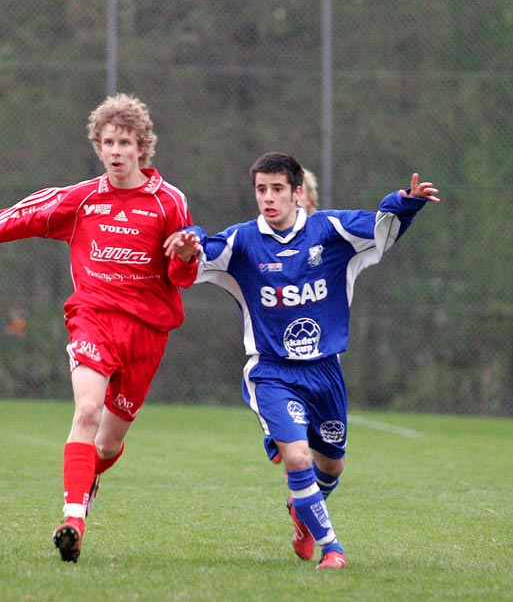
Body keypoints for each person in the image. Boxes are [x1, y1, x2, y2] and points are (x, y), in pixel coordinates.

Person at [0, 93, 200, 562]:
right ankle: (73, 520)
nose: (115, 150)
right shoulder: (83, 198)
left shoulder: (169, 202)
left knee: (108, 443)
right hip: (92, 318)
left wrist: (187, 257)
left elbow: (180, 276)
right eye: (108, 141)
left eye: (125, 142)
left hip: (147, 333)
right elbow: (27, 215)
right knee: (87, 412)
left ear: (141, 148)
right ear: (97, 145)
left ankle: (88, 480)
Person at [166, 152, 439, 569]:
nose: (268, 198)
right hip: (271, 369)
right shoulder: (243, 242)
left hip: (325, 370)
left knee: (333, 464)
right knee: (297, 458)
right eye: (261, 189)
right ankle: (333, 548)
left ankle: (302, 512)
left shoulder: (329, 231)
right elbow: (197, 256)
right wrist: (188, 244)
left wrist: (406, 202)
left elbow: (382, 228)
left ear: (298, 192)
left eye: (277, 189)